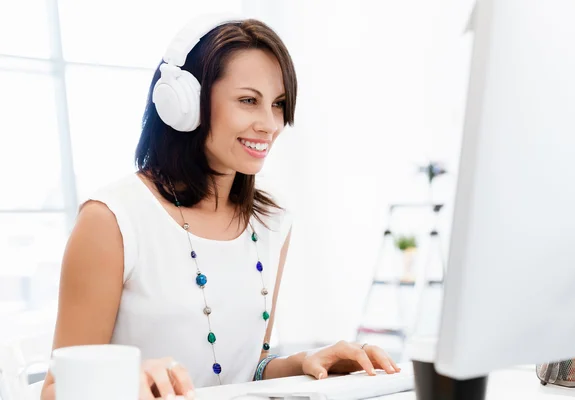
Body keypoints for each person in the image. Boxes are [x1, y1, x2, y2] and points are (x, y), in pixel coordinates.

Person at [41, 17, 400, 400]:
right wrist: (122, 383)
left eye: (278, 104)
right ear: (185, 104)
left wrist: (304, 362)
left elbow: (245, 371)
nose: (269, 124)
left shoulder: (272, 221)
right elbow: (55, 390)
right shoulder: (111, 220)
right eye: (248, 100)